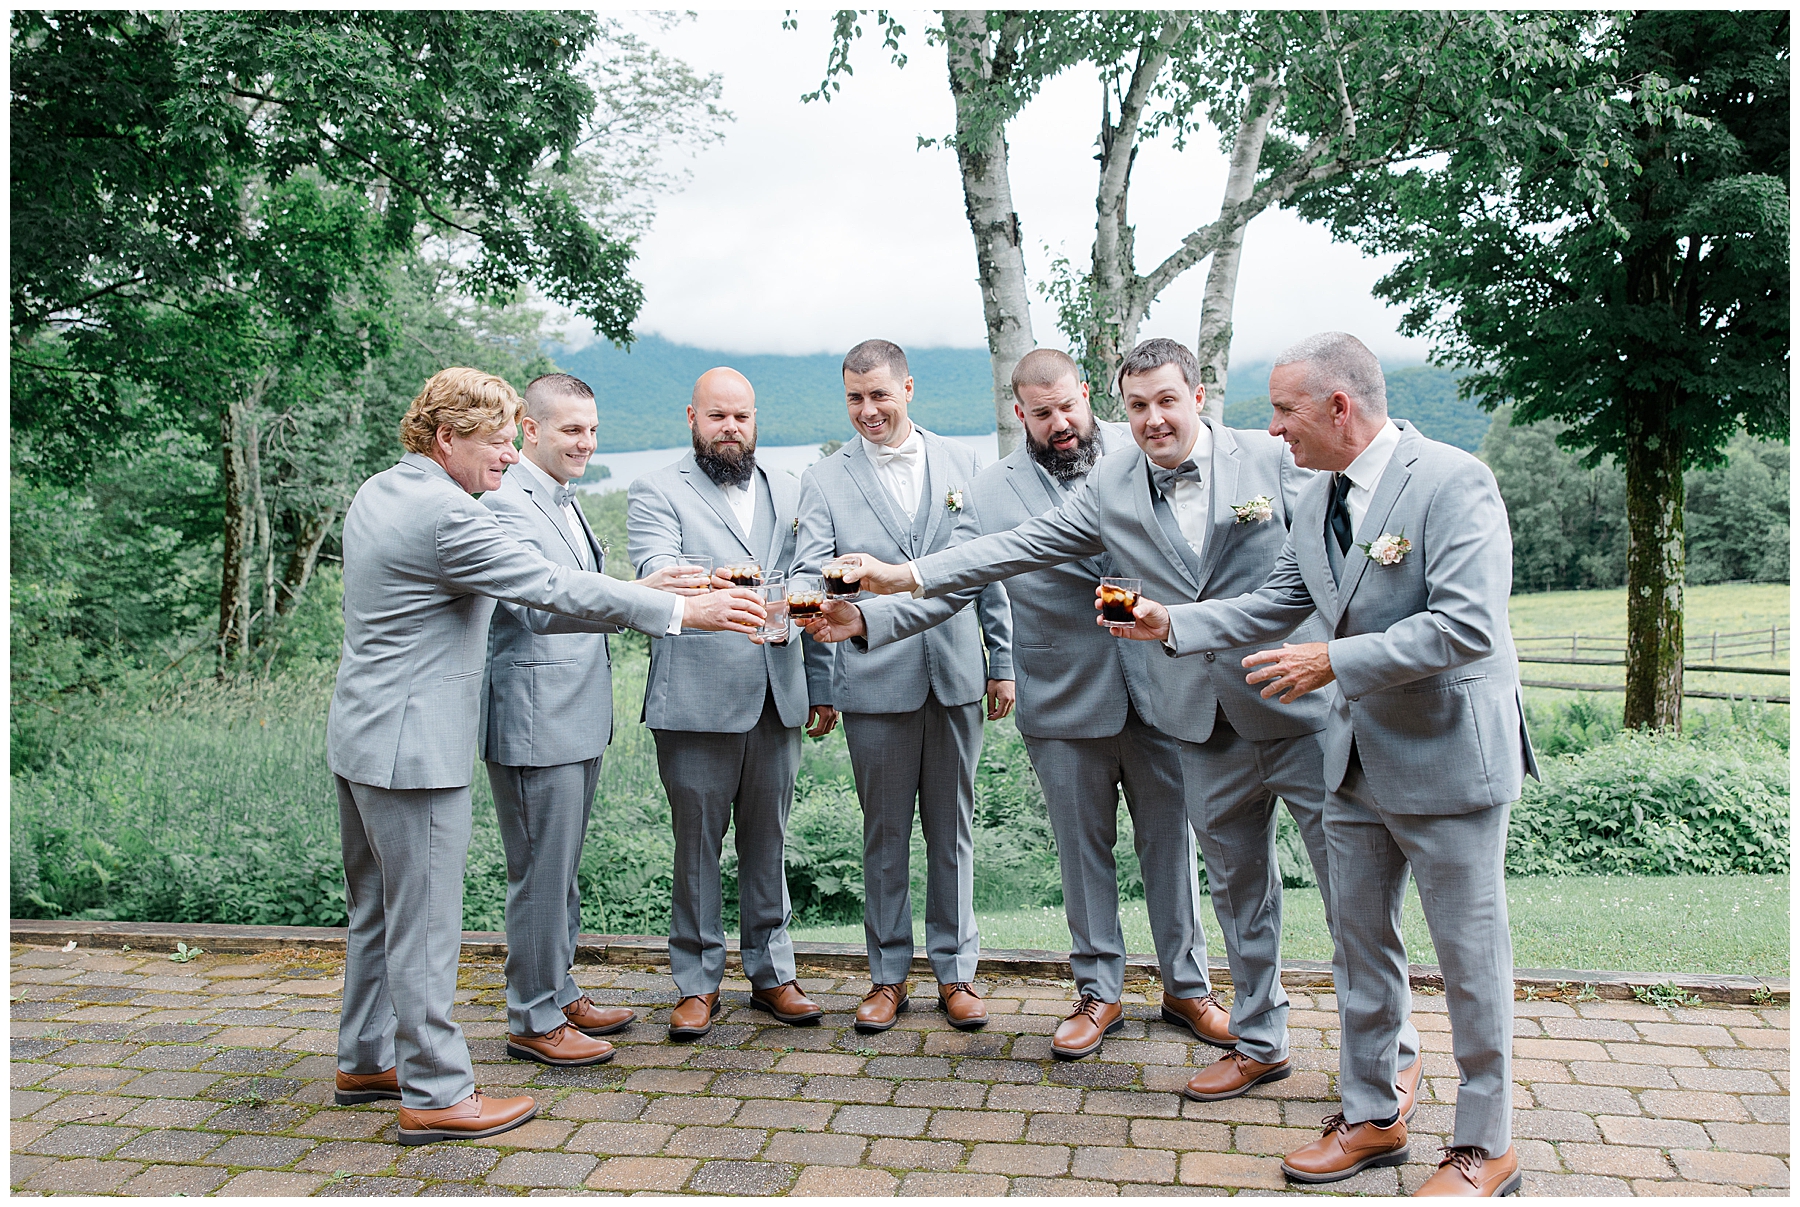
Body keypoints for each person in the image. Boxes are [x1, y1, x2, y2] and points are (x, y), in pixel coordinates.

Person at [838, 339, 1418, 1107]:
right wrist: (899, 579)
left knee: (1352, 895)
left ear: (1199, 395)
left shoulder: (1273, 456)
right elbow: (1009, 549)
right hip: (1194, 719)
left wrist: (1354, 658)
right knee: (1240, 893)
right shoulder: (1113, 486)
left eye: (1166, 401)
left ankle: (1391, 1058)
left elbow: (1357, 515)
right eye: (1138, 405)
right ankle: (1260, 1041)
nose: (1153, 419)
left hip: (1296, 705)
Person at [1116, 332, 1537, 1196]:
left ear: (1339, 407)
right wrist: (1173, 624)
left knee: (1469, 957)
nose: (1273, 431)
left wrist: (1331, 664)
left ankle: (1486, 1145)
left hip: (1449, 757)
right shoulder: (1317, 499)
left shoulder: (1456, 483)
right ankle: (1373, 1113)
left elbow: (1466, 626)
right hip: (1352, 763)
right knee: (1359, 945)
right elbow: (1280, 600)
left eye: (1284, 411)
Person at [328, 368, 764, 1145]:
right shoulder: (448, 518)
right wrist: (678, 609)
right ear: (446, 439)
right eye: (495, 442)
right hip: (416, 749)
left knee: (376, 909)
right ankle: (435, 1089)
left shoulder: (380, 490)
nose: (505, 458)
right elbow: (543, 589)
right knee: (425, 925)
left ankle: (366, 1055)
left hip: (362, 736)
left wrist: (644, 589)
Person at [806, 348, 1212, 1060]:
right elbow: (955, 583)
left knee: (1170, 845)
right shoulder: (991, 491)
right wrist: (869, 618)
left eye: (1069, 408)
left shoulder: (1146, 449)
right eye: (1042, 413)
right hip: (1063, 696)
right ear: (1018, 412)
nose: (1060, 424)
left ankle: (1189, 986)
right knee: (1082, 855)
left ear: (1088, 396)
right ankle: (1099, 991)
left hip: (1161, 683)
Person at [480, 372, 704, 1069]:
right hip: (533, 717)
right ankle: (532, 1018)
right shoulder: (508, 503)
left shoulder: (559, 498)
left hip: (573, 712)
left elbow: (580, 587)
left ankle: (559, 988)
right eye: (573, 430)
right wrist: (639, 598)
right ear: (531, 429)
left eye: (594, 430)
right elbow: (540, 606)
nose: (587, 442)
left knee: (562, 869)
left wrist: (639, 589)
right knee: (540, 873)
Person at [792, 339, 1014, 1033]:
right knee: (884, 834)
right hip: (872, 679)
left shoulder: (963, 463)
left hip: (953, 676)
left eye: (880, 395)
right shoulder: (824, 478)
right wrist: (818, 677)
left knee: (953, 832)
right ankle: (887, 975)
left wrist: (1001, 660)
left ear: (908, 389)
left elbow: (985, 569)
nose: (868, 410)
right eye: (855, 398)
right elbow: (810, 574)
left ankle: (956, 972)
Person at [627, 367, 832, 1039]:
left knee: (768, 840)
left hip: (779, 692)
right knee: (697, 846)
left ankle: (773, 973)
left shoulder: (793, 485)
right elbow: (654, 571)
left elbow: (811, 570)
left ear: (755, 417)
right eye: (717, 416)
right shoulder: (656, 488)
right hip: (695, 698)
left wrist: (800, 621)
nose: (730, 428)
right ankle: (696, 981)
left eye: (741, 416)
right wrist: (707, 582)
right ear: (691, 416)